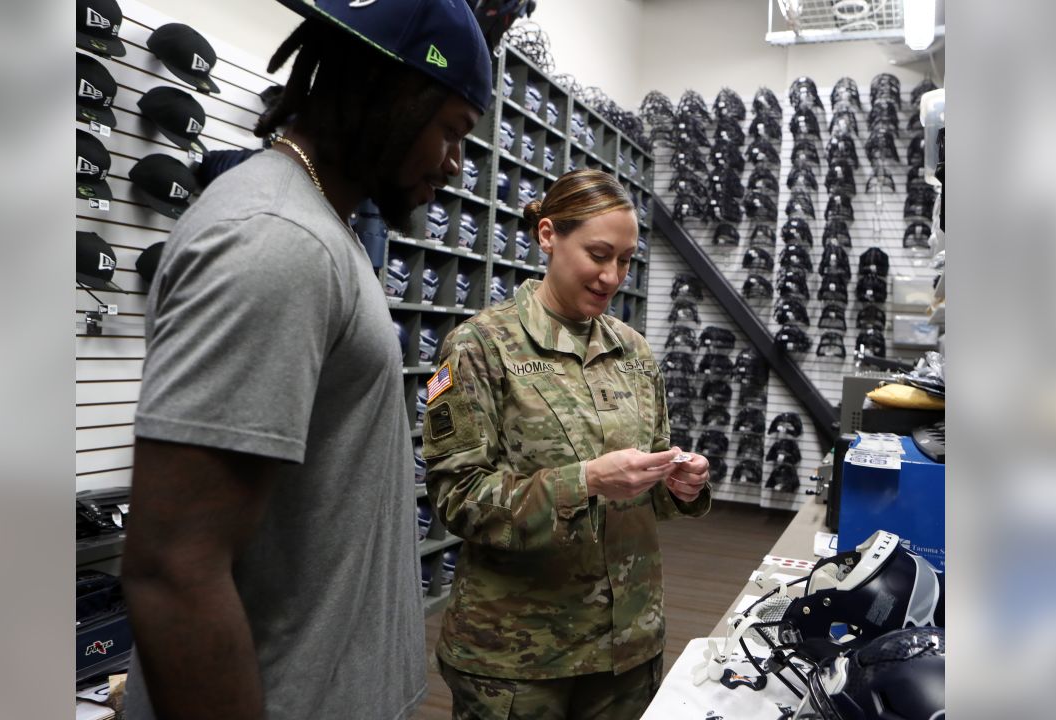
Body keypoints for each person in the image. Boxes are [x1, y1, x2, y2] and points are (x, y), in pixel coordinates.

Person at [120, 1, 492, 718]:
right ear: (390, 93)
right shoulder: (279, 241)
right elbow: (175, 570)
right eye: (450, 132)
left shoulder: (321, 229)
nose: (453, 165)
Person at [422, 168, 714, 719]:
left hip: (627, 648)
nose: (612, 276)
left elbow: (651, 475)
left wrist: (681, 481)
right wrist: (585, 481)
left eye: (626, 260)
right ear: (549, 235)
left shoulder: (632, 351)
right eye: (599, 254)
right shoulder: (479, 347)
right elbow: (456, 498)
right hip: (519, 658)